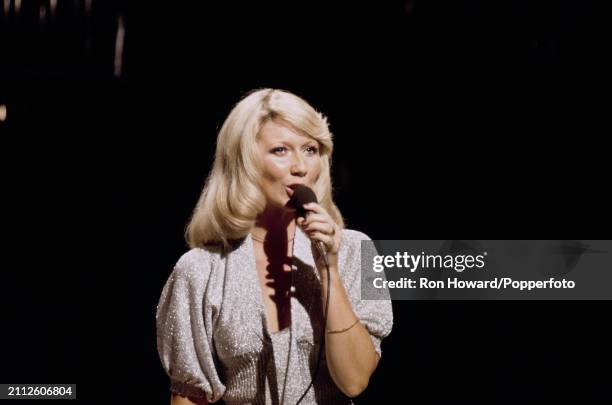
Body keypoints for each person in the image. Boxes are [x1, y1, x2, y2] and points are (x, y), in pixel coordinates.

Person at [156, 88, 393, 405]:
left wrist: (330, 272)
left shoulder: (355, 250)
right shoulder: (200, 269)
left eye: (310, 149)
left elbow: (354, 381)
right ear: (245, 161)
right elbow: (188, 397)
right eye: (281, 150)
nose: (300, 166)